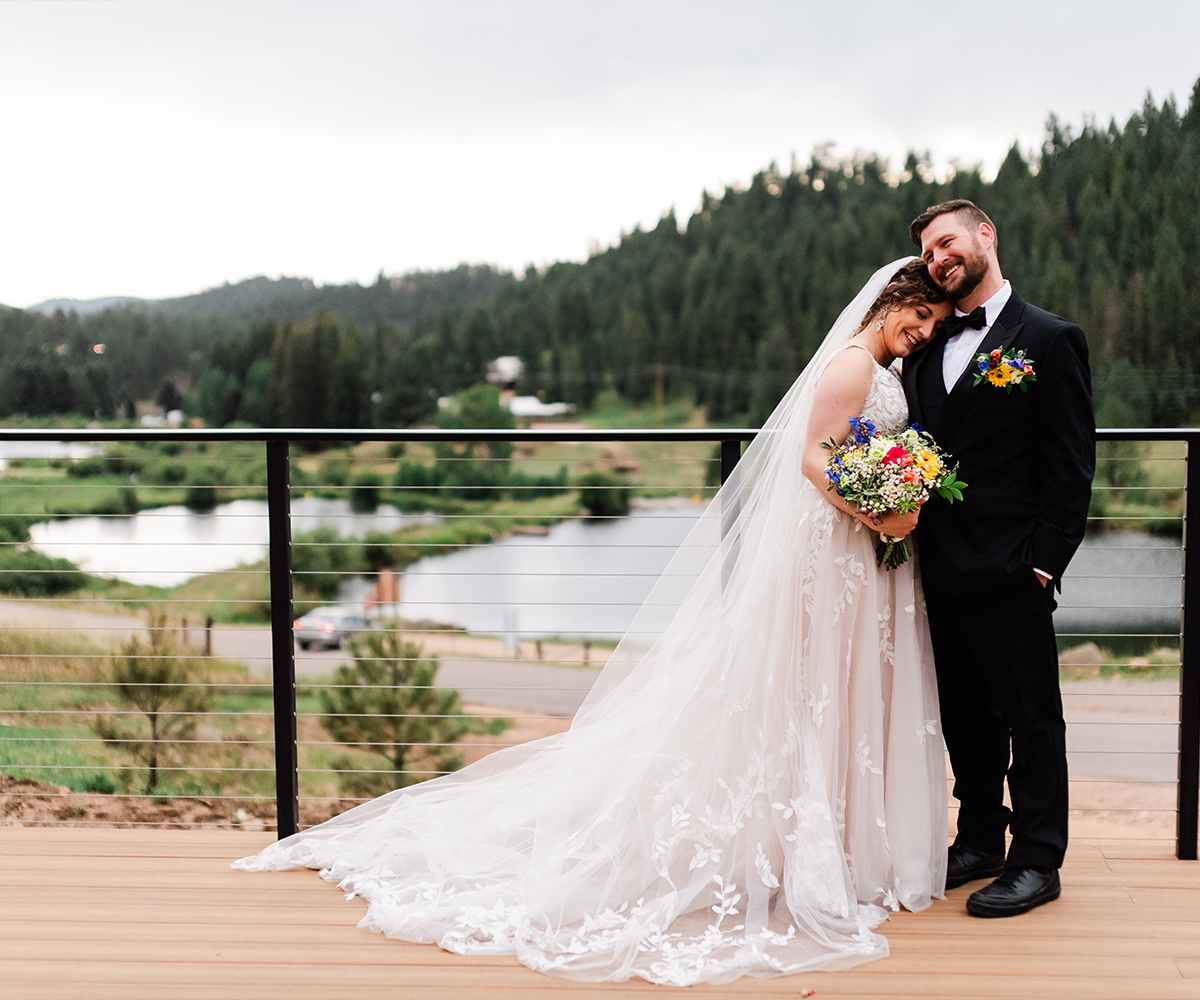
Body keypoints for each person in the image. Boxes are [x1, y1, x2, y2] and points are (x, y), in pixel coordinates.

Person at [236, 259, 952, 985]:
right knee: (809, 695)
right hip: (834, 546)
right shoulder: (851, 367)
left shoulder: (881, 366)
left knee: (837, 692)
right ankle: (814, 856)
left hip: (853, 552)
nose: (922, 331)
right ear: (892, 298)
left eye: (932, 325)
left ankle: (840, 848)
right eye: (918, 315)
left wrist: (894, 498)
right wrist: (881, 510)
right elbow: (813, 457)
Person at [903, 200, 1095, 918]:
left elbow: (1071, 465)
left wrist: (1043, 564)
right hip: (936, 569)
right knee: (964, 716)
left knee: (1031, 718)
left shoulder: (1048, 339)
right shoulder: (926, 344)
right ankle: (981, 835)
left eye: (946, 242)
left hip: (1012, 570)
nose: (938, 259)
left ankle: (1038, 858)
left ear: (986, 234)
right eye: (927, 254)